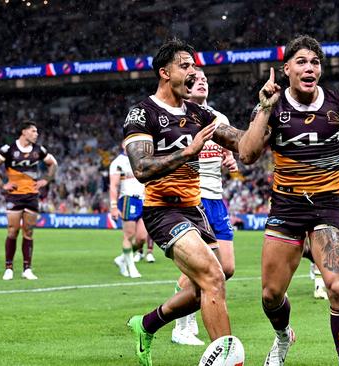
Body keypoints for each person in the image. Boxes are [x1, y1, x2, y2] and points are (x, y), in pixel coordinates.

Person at [238, 35, 339, 366]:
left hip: (327, 207)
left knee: (337, 286)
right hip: (286, 207)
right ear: (286, 69)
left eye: (315, 62)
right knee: (270, 296)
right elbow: (248, 154)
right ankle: (283, 337)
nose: (309, 67)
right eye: (301, 62)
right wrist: (265, 106)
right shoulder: (273, 106)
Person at [122, 39, 244, 366]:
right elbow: (142, 168)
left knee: (207, 285)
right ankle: (228, 361)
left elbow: (242, 143)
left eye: (193, 65)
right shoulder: (142, 112)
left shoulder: (198, 113)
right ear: (165, 73)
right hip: (163, 210)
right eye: (185, 66)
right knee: (214, 278)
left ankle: (146, 324)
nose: (192, 71)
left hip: (195, 209)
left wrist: (267, 109)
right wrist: (186, 153)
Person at [171, 68, 239, 346]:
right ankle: (182, 326)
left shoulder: (218, 118)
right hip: (192, 199)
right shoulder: (177, 117)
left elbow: (229, 152)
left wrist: (230, 160)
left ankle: (180, 298)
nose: (201, 82)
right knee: (204, 268)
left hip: (216, 199)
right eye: (195, 80)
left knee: (228, 267)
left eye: (205, 80)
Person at [0, 121, 58, 280]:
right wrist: (1, 184)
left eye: (36, 131)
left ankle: (27, 269)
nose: (36, 134)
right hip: (14, 196)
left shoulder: (39, 150)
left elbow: (53, 164)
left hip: (32, 196)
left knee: (29, 232)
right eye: (33, 131)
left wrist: (46, 180)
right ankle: (9, 268)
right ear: (24, 132)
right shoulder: (8, 149)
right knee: (12, 230)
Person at [109, 145, 148, 278]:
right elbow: (113, 185)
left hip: (144, 200)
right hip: (128, 199)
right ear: (123, 144)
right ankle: (131, 268)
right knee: (129, 235)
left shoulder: (143, 159)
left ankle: (121, 259)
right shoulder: (118, 162)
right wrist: (113, 206)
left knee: (142, 238)